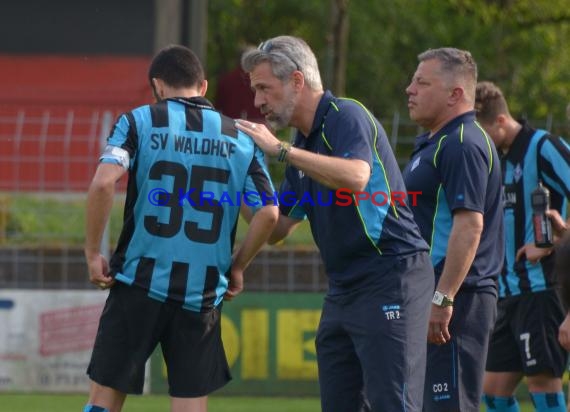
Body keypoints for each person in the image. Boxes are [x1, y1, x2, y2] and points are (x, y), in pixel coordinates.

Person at [235, 35, 435, 412]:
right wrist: (236, 179)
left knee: (395, 405)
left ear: (296, 81)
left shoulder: (346, 115)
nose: (258, 101)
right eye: (255, 90)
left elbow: (357, 176)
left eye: (264, 88)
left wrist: (280, 151)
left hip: (390, 275)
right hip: (343, 289)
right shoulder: (303, 143)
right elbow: (277, 227)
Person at [83, 45, 278, 412]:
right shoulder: (241, 137)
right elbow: (268, 213)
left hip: (138, 284)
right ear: (203, 86)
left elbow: (103, 184)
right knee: (189, 404)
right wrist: (237, 265)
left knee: (104, 398)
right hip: (201, 292)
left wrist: (94, 253)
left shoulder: (139, 121)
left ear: (158, 86)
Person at [401, 48, 504, 412]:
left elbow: (469, 224)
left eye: (421, 82)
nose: (409, 89)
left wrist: (442, 298)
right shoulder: (436, 143)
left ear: (455, 94)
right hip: (433, 296)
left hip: (457, 299)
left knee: (451, 406)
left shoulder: (462, 143)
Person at [474, 81, 570, 412]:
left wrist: (557, 240)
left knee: (542, 383)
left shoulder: (542, 146)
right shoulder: (499, 161)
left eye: (482, 132)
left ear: (500, 121)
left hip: (541, 289)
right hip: (508, 291)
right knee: (492, 391)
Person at [214, 45, 264, 122]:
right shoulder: (227, 80)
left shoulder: (226, 79)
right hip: (254, 124)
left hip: (230, 124)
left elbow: (218, 108)